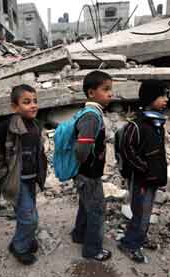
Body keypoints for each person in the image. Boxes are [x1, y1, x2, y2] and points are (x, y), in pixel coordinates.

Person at [0, 84, 47, 265]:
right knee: (29, 218)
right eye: (27, 102)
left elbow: (38, 153)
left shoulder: (35, 125)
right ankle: (19, 247)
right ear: (14, 107)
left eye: (35, 101)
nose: (33, 105)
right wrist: (4, 179)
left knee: (27, 213)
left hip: (31, 179)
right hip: (16, 181)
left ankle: (24, 239)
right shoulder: (6, 129)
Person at [117, 80, 169, 263]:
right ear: (149, 98)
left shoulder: (157, 122)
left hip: (152, 178)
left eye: (166, 95)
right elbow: (127, 151)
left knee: (146, 212)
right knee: (140, 213)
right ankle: (129, 244)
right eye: (161, 96)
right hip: (142, 179)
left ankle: (140, 237)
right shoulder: (136, 125)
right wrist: (144, 169)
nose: (166, 99)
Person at [71, 70, 113, 261]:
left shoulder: (91, 113)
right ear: (91, 93)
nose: (110, 93)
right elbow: (82, 149)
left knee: (85, 205)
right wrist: (86, 165)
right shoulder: (91, 117)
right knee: (96, 209)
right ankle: (92, 250)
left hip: (85, 173)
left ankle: (79, 234)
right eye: (106, 89)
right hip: (88, 174)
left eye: (110, 89)